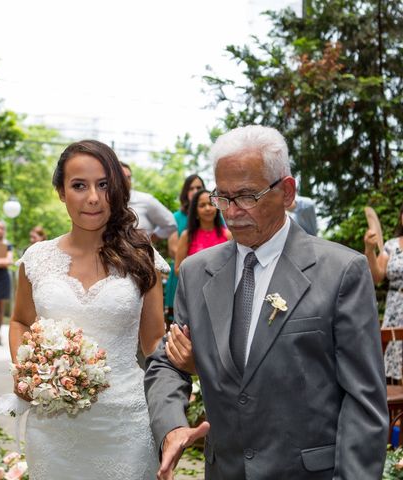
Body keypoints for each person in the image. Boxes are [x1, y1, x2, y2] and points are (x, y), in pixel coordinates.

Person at [145, 125, 388, 479]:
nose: (232, 212)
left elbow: (364, 401)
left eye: (246, 196)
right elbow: (167, 363)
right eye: (222, 197)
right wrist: (171, 426)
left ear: (287, 192)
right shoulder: (197, 272)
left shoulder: (341, 272)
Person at [9, 139, 168, 479]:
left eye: (104, 185)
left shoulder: (142, 258)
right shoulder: (36, 259)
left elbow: (154, 343)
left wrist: (178, 391)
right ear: (61, 192)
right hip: (53, 430)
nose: (93, 197)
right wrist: (24, 371)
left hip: (127, 424)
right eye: (79, 185)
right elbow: (20, 321)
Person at [365, 203, 403, 380]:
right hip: (395, 306)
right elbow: (376, 276)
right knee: (393, 357)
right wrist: (370, 250)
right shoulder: (390, 245)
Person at [164, 174, 205, 319]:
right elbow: (173, 249)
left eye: (198, 188)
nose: (195, 191)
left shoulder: (213, 216)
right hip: (180, 274)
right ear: (185, 192)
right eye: (191, 188)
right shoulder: (175, 218)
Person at [174, 188, 232, 274]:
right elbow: (177, 270)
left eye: (210, 204)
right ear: (195, 211)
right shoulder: (187, 236)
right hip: (196, 286)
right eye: (202, 205)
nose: (207, 208)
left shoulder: (228, 235)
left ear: (216, 207)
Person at [120, 161, 176, 241]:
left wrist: (149, 240)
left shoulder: (146, 200)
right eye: (122, 177)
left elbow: (171, 225)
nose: (126, 181)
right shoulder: (106, 202)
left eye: (129, 177)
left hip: (141, 253)